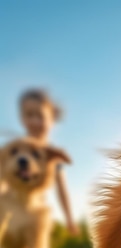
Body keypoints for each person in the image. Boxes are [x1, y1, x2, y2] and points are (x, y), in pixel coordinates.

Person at [18, 88, 79, 235]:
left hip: (34, 212)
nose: (34, 121)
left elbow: (62, 189)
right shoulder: (16, 151)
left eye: (40, 116)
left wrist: (69, 219)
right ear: (22, 118)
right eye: (29, 115)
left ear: (51, 120)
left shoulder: (52, 156)